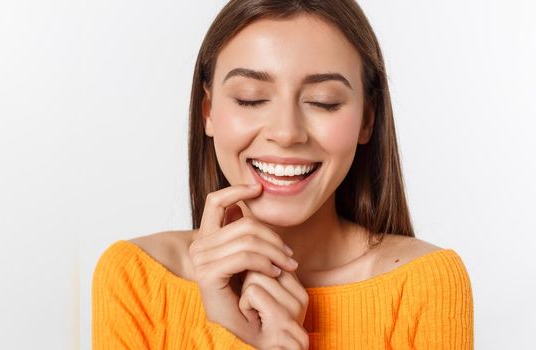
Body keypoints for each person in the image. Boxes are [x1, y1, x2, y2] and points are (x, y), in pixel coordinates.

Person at [91, 0, 474, 349]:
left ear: (367, 120)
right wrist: (231, 332)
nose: (287, 132)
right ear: (207, 112)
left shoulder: (425, 283)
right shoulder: (136, 278)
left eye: (323, 102)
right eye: (251, 98)